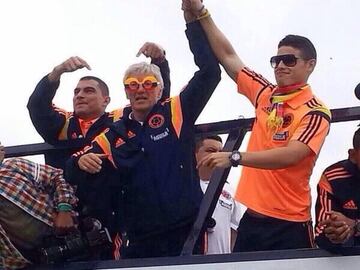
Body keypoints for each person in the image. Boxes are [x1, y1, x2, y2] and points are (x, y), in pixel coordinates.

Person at [66, 8, 221, 259]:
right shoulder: (114, 133)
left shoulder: (175, 112)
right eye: (132, 85)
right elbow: (70, 166)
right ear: (125, 92)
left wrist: (192, 20)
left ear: (159, 90)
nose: (141, 90)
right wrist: (79, 160)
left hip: (186, 229)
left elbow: (210, 73)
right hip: (137, 236)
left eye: (148, 83)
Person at [183, 0, 331, 252]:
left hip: (290, 223)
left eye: (289, 60)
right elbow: (229, 57)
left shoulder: (315, 111)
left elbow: (292, 154)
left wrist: (235, 157)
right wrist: (200, 12)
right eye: (276, 60)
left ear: (310, 64)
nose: (281, 65)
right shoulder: (265, 94)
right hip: (251, 218)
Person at [27, 43, 170, 171]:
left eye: (89, 91)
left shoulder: (120, 119)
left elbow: (153, 103)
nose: (80, 95)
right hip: (64, 195)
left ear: (106, 100)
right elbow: (37, 105)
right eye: (76, 92)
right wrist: (57, 72)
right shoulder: (64, 122)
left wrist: (159, 61)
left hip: (110, 195)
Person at [0, 143, 77, 269]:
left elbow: (56, 176)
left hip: (69, 235)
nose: (2, 147)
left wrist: (64, 210)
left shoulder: (14, 166)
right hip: (28, 262)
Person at [315, 128, 360, 253]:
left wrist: (356, 226)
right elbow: (321, 229)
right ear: (353, 155)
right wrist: (334, 234)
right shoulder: (332, 177)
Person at [195, 135, 241, 254]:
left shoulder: (230, 190)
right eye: (210, 151)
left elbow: (235, 229)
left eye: (220, 152)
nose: (216, 155)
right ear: (195, 154)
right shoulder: (182, 186)